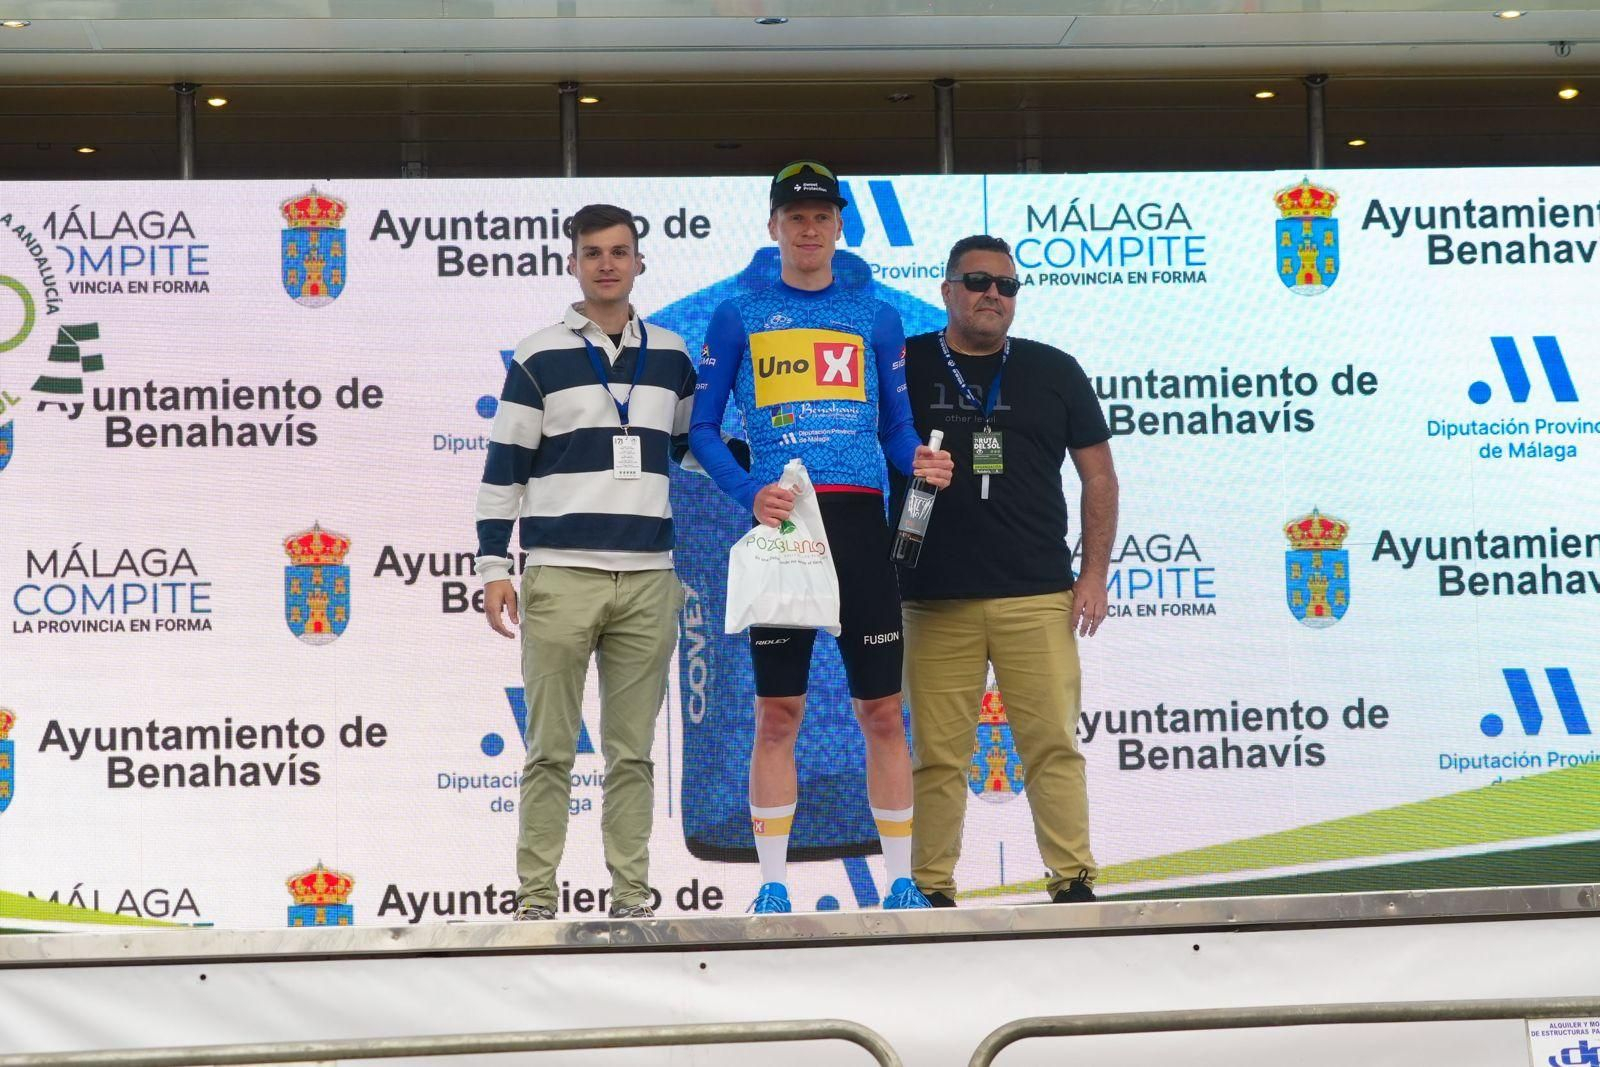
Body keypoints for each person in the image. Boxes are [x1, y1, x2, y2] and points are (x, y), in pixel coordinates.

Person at [689, 161, 954, 914]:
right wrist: (747, 491)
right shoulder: (739, 312)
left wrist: (920, 461)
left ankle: (901, 879)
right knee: (778, 713)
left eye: (821, 216)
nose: (809, 230)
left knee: (881, 709)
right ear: (774, 227)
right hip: (786, 525)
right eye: (795, 217)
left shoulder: (875, 316)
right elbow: (703, 429)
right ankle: (772, 883)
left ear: (841, 225)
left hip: (861, 527)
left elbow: (896, 427)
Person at [474, 203, 696, 921]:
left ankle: (630, 898)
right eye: (593, 251)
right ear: (572, 263)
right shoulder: (538, 354)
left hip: (648, 577)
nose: (607, 263)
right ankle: (536, 900)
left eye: (620, 251)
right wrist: (491, 565)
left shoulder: (672, 354)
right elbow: (504, 464)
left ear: (639, 262)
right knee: (549, 751)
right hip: (560, 573)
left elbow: (689, 447)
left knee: (632, 755)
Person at [893, 234, 1118, 907]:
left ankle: (1073, 881)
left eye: (1007, 286)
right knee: (937, 756)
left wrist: (1094, 574)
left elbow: (1100, 476)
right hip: (935, 597)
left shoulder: (1054, 369)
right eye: (978, 280)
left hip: (1038, 593)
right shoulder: (905, 362)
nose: (994, 294)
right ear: (947, 291)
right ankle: (930, 889)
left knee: (1051, 744)